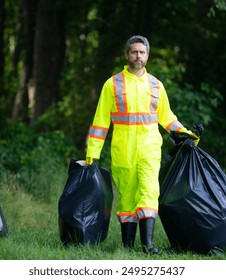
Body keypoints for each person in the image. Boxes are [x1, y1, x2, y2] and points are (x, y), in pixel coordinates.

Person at [85, 35, 199, 254]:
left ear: (147, 55)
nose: (138, 56)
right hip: (123, 150)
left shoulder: (156, 85)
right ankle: (127, 247)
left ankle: (148, 245)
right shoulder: (112, 84)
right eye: (134, 52)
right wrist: (93, 153)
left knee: (148, 191)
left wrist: (189, 135)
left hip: (149, 149)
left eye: (142, 52)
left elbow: (168, 118)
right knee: (127, 196)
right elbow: (100, 122)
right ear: (127, 54)